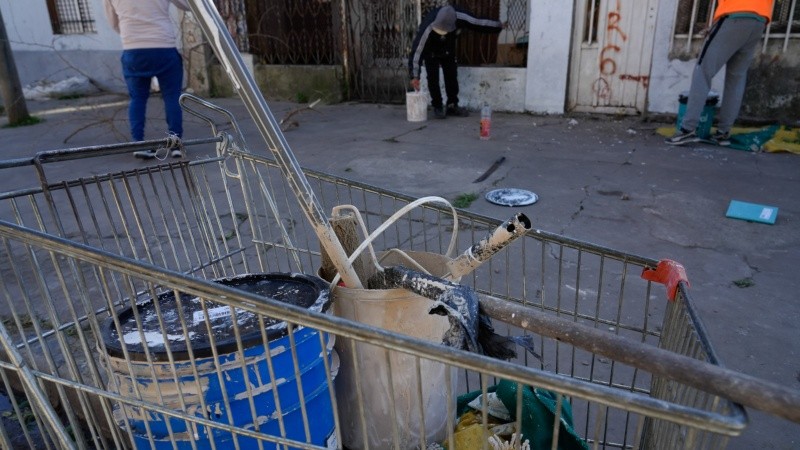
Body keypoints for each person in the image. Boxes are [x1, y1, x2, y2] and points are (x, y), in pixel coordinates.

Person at [666, 0, 774, 146]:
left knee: (702, 71)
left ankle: (687, 129)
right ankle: (723, 133)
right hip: (759, 20)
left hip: (734, 14)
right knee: (737, 78)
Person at [103, 0, 190, 159]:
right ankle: (175, 145)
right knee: (171, 97)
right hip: (164, 47)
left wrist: (132, 36)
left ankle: (139, 144)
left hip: (133, 50)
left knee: (137, 98)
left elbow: (113, 23)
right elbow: (188, 5)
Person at [408, 5, 503, 119]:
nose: (440, 33)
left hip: (448, 48)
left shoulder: (461, 16)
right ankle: (437, 106)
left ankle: (452, 105)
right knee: (433, 77)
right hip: (430, 50)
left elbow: (479, 22)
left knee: (451, 75)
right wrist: (414, 75)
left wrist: (498, 26)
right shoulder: (428, 26)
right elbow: (417, 51)